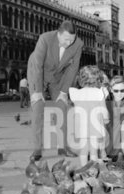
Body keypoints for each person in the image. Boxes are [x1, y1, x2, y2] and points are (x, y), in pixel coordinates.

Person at [27, 20, 83, 161]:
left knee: (62, 108)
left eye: (72, 39)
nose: (69, 43)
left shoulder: (78, 44)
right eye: (66, 39)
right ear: (58, 34)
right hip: (37, 72)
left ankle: (62, 147)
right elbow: (37, 65)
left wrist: (64, 92)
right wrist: (38, 91)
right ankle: (37, 150)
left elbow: (73, 68)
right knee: (38, 109)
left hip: (57, 77)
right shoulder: (45, 38)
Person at [69, 65, 109, 166]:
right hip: (95, 125)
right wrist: (106, 119)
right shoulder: (98, 93)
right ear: (97, 79)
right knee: (94, 151)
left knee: (83, 150)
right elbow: (103, 109)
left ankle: (83, 168)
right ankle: (92, 169)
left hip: (81, 125)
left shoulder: (77, 93)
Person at [105, 75, 124, 160]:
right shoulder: (106, 104)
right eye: (116, 91)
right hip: (109, 146)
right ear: (111, 90)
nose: (119, 93)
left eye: (122, 90)